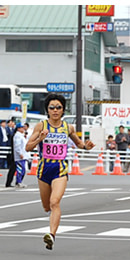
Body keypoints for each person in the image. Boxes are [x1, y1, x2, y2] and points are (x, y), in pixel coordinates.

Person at [25, 93, 95, 250]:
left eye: (59, 108)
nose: (55, 110)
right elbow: (28, 147)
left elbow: (79, 143)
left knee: (54, 202)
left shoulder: (68, 127)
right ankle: (51, 224)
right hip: (44, 169)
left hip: (60, 169)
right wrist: (40, 139)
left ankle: (51, 235)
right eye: (52, 108)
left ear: (63, 110)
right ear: (47, 110)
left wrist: (86, 146)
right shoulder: (41, 126)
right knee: (46, 206)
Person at [13, 122, 31, 188]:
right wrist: (20, 153)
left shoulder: (21, 135)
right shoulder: (17, 136)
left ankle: (20, 181)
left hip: (23, 155)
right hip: (20, 156)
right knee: (20, 169)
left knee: (22, 169)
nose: (23, 128)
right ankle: (18, 182)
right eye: (21, 127)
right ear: (18, 129)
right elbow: (17, 146)